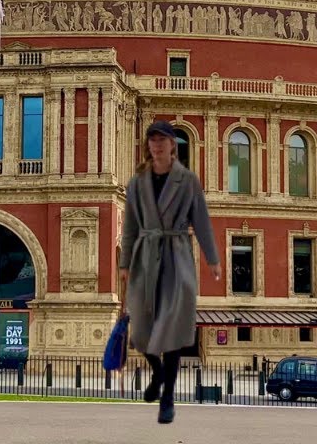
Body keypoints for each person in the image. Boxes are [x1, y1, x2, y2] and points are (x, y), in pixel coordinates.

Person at [119, 120, 220, 425]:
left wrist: (212, 258)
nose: (157, 144)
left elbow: (201, 220)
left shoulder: (187, 180)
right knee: (141, 329)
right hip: (145, 256)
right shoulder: (137, 182)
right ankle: (158, 373)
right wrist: (124, 263)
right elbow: (130, 225)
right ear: (148, 145)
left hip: (176, 255)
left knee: (173, 330)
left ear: (172, 144)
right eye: (153, 140)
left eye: (162, 139)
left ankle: (168, 400)